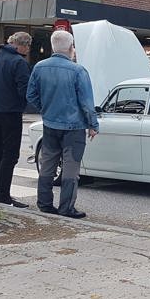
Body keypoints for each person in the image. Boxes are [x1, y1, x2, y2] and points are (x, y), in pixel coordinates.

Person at [26, 30, 98, 219]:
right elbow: (86, 102)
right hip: (74, 127)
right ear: (71, 48)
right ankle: (66, 207)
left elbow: (31, 95)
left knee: (47, 165)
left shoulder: (39, 67)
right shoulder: (78, 71)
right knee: (71, 168)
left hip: (50, 124)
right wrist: (93, 124)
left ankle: (44, 203)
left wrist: (45, 109)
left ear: (53, 47)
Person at [0, 32, 32, 207]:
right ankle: (3, 194)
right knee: (10, 154)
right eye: (28, 46)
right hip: (10, 111)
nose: (28, 50)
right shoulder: (18, 62)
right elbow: (24, 89)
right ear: (22, 45)